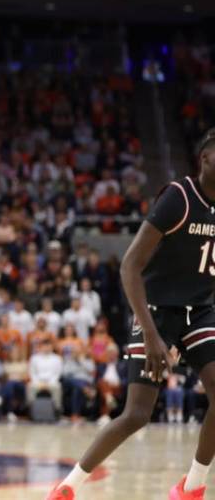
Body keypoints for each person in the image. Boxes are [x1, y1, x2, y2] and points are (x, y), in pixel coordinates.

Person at [50, 132, 215, 500]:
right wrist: (154, 336)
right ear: (204, 157)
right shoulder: (179, 197)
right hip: (156, 309)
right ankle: (67, 487)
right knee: (137, 413)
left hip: (200, 310)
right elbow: (130, 266)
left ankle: (192, 487)